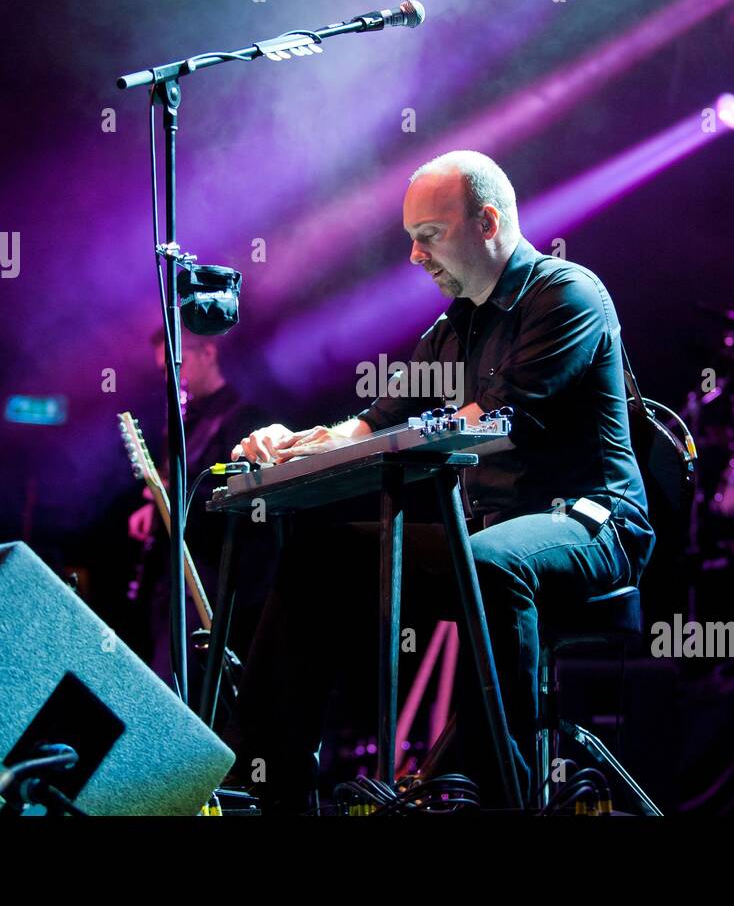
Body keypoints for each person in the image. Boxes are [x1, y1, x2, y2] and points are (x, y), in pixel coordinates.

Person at [224, 149, 655, 811]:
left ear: (486, 221)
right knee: (321, 554)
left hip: (596, 524)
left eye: (429, 237)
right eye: (412, 241)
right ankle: (270, 787)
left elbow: (500, 419)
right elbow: (375, 422)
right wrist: (294, 446)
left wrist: (395, 437)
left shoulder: (568, 293)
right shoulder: (451, 331)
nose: (416, 258)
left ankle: (493, 794)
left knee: (489, 563)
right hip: (487, 536)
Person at [127, 328, 273, 686]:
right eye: (164, 370)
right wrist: (154, 510)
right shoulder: (180, 422)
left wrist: (170, 491)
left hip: (210, 580)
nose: (171, 378)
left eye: (177, 364)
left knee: (173, 688)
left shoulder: (244, 419)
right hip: (171, 580)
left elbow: (244, 498)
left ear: (208, 353)